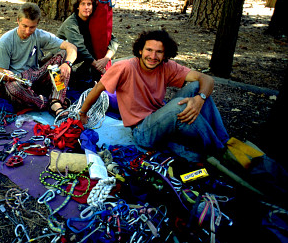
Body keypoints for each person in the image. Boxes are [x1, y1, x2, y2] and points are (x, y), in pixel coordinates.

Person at [78, 30, 230, 161]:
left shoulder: (167, 67)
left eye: (159, 52)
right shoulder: (124, 67)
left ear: (165, 55)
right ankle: (220, 151)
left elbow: (207, 79)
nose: (152, 56)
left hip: (158, 116)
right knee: (180, 106)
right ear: (140, 51)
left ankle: (226, 141)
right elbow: (97, 89)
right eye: (149, 50)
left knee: (197, 87)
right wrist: (83, 112)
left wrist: (199, 99)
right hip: (142, 131)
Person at [0, 2, 78, 116]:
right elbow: (1, 71)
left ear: (37, 24)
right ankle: (46, 102)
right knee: (14, 89)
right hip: (18, 79)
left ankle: (55, 100)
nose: (28, 31)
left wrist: (68, 64)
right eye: (24, 26)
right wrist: (6, 74)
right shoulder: (5, 41)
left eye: (32, 27)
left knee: (62, 54)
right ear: (18, 21)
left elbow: (71, 47)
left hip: (35, 74)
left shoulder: (39, 35)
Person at [57, 0, 119, 85]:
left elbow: (112, 40)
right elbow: (80, 48)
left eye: (89, 4)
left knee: (98, 44)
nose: (86, 7)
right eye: (83, 4)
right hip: (60, 57)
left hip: (83, 56)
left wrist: (106, 58)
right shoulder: (71, 23)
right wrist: (98, 66)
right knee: (67, 53)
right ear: (78, 6)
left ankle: (80, 77)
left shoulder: (94, 21)